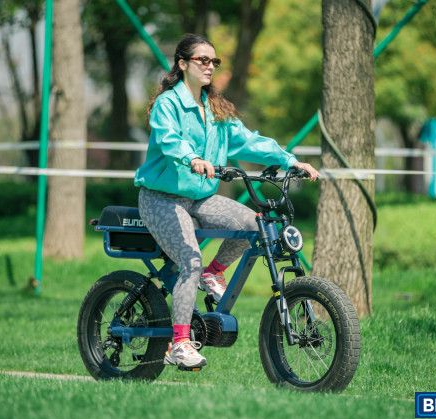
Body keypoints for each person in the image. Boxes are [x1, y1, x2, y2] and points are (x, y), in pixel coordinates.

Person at [134, 34, 319, 370]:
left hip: (200, 197)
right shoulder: (168, 105)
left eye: (214, 61)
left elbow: (250, 141)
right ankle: (179, 344)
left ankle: (214, 273)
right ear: (183, 64)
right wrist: (192, 158)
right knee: (189, 259)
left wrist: (290, 161)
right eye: (203, 60)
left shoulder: (215, 110)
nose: (210, 66)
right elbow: (169, 139)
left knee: (253, 224)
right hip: (161, 198)